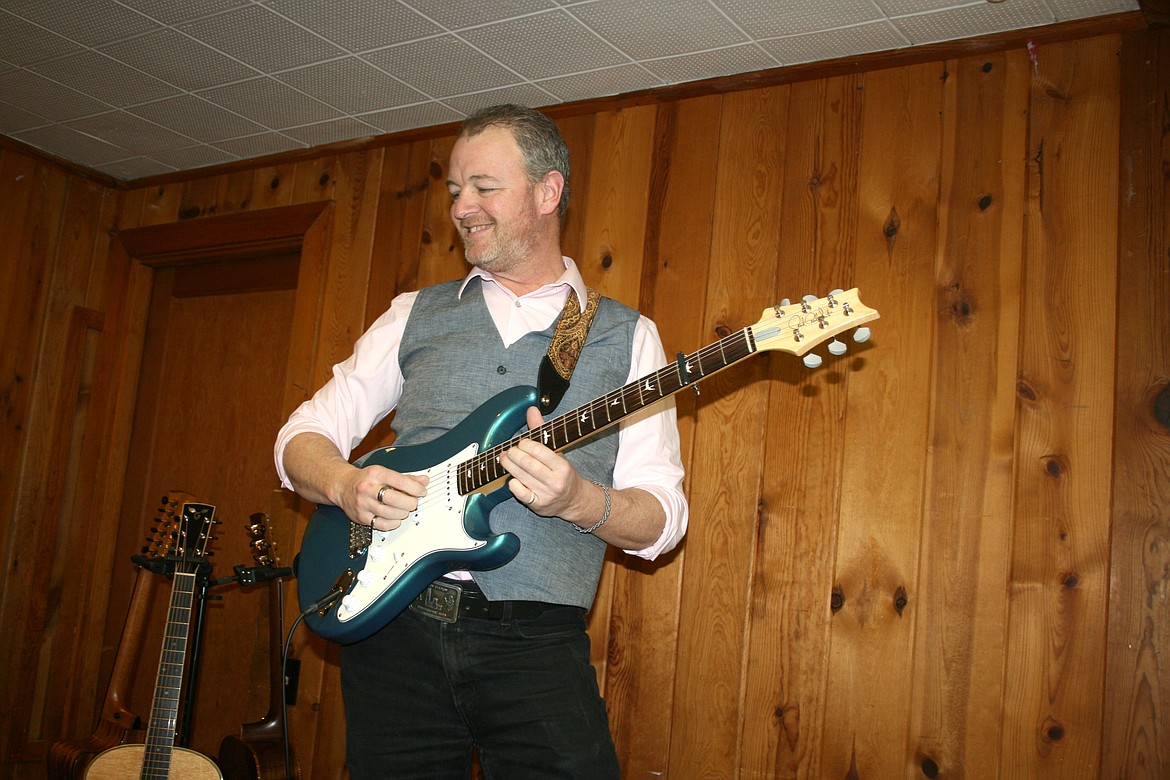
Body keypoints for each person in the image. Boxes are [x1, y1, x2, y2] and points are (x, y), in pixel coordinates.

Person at [274, 104, 688, 779]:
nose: (463, 206)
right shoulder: (414, 314)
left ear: (547, 192)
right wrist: (348, 485)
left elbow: (664, 520)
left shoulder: (626, 337)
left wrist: (580, 500)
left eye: (484, 188)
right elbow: (302, 435)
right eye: (455, 191)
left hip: (535, 643)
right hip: (393, 633)